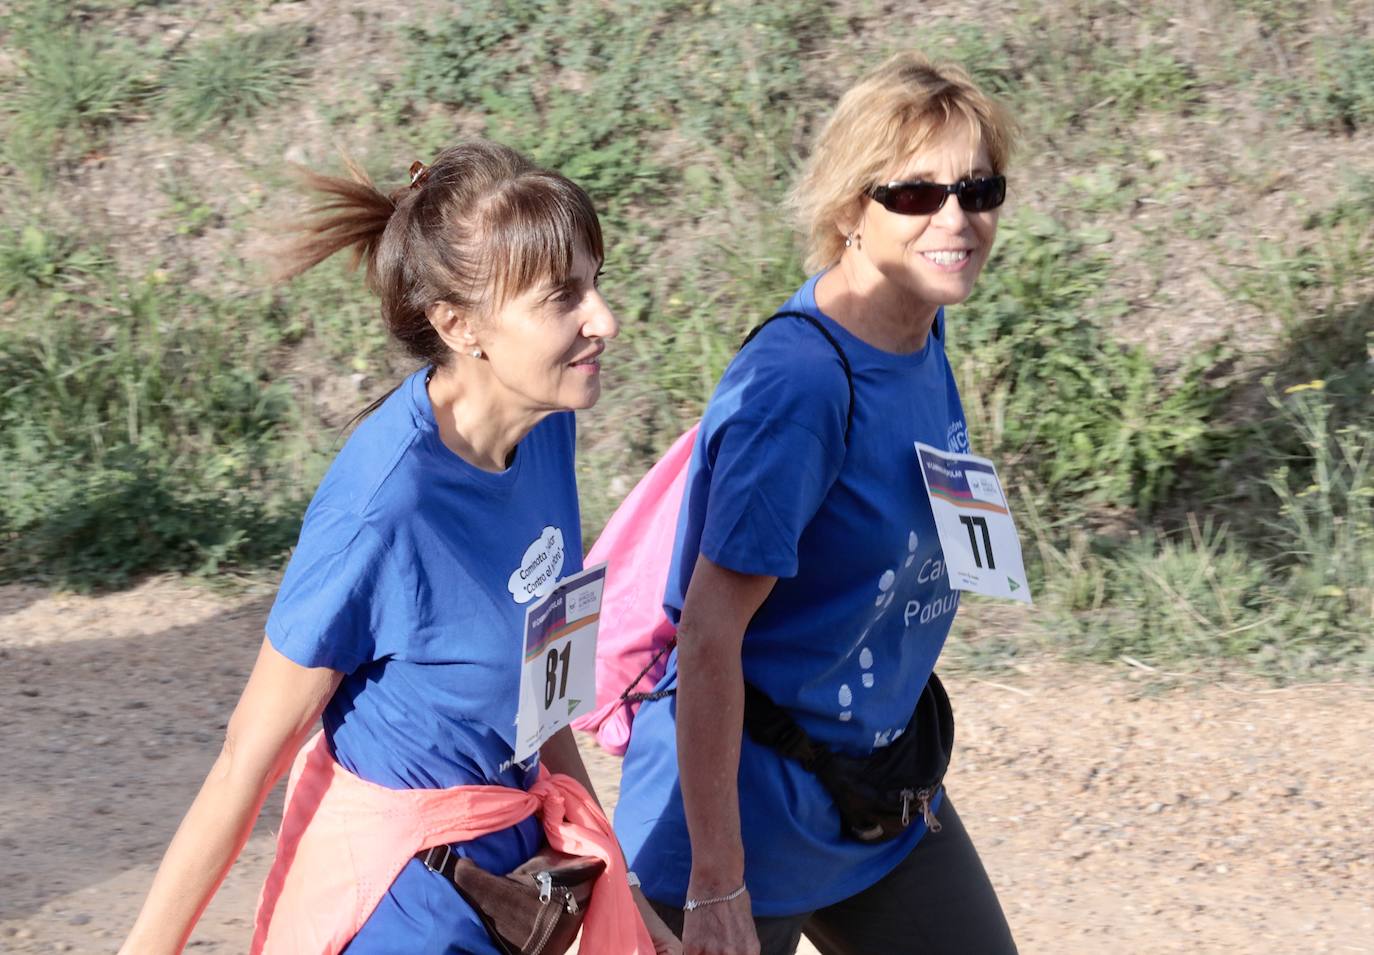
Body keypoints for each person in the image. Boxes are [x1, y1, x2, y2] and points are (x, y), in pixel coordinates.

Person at [117, 140, 680, 955]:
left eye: (596, 281)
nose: (605, 318)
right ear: (459, 325)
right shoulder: (382, 507)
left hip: (516, 872)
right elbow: (250, 752)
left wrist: (618, 882)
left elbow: (542, 688)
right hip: (407, 902)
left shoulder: (546, 425)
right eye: (564, 297)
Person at [612, 53, 1020, 955]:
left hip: (875, 793)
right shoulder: (799, 389)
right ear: (849, 210)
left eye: (977, 187)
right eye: (913, 194)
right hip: (741, 820)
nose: (955, 218)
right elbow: (708, 635)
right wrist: (718, 881)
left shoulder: (920, 325)